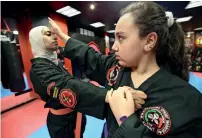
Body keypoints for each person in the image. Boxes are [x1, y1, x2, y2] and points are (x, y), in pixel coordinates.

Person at [47, 1, 202, 138]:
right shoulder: (115, 68)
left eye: (121, 38)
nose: (114, 47)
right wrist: (61, 35)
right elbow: (89, 56)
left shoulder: (187, 101)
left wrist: (125, 119)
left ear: (149, 41)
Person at [29, 26, 147, 138]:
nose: (54, 37)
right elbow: (66, 85)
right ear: (37, 40)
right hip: (61, 122)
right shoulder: (38, 69)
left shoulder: (53, 63)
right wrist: (112, 96)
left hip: (75, 114)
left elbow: (93, 60)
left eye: (54, 34)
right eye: (48, 34)